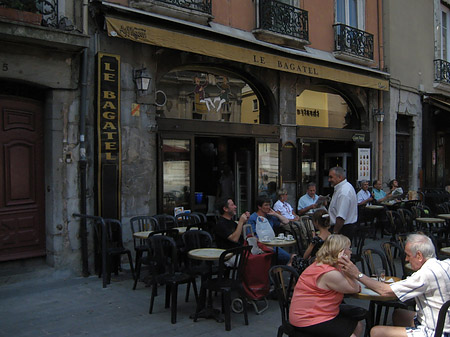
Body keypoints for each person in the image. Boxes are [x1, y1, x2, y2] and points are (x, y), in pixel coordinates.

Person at [339, 233, 450, 337]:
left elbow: (385, 291)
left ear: (419, 256)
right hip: (442, 321)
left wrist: (357, 274)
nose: (406, 259)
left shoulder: (425, 275)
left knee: (376, 331)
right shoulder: (446, 264)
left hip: (436, 331)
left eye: (408, 255)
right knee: (398, 314)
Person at [289, 234, 363, 337]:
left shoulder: (322, 264)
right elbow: (355, 288)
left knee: (357, 325)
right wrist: (350, 267)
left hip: (317, 313)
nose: (351, 252)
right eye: (349, 249)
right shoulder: (329, 273)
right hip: (308, 319)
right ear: (341, 252)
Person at [248, 196, 292, 265]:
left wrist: (275, 214)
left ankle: (275, 271)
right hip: (260, 246)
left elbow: (286, 221)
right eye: (266, 205)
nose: (268, 207)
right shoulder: (253, 218)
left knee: (288, 257)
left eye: (269, 205)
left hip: (272, 244)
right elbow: (251, 236)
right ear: (259, 207)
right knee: (286, 257)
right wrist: (263, 245)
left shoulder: (269, 217)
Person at [328, 167, 358, 241]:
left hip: (343, 229)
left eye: (331, 177)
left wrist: (334, 234)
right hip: (343, 228)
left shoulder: (344, 192)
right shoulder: (342, 188)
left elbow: (341, 217)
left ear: (340, 177)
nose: (329, 180)